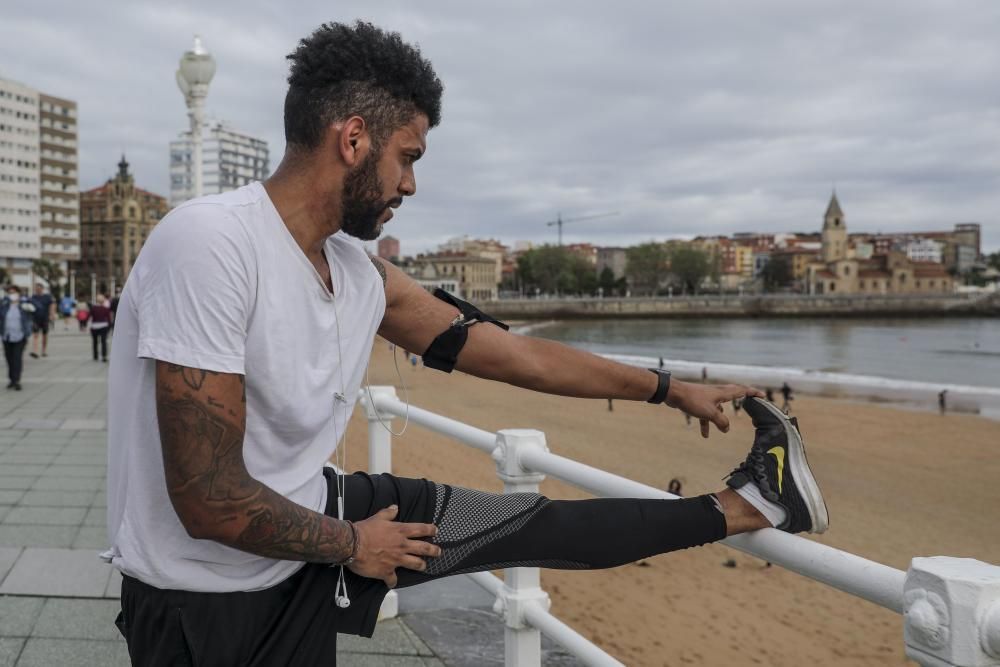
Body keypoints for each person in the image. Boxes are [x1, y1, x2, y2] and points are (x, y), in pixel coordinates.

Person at [105, 22, 829, 666]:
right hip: (205, 604)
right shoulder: (212, 244)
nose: (411, 184)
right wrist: (355, 545)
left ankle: (752, 504)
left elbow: (518, 355)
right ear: (352, 139)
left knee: (524, 523)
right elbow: (208, 498)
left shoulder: (360, 273)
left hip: (310, 521)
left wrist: (670, 390)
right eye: (407, 156)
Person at [2, 285, 35, 390]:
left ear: (18, 293)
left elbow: (37, 308)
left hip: (20, 336)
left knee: (17, 358)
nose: (12, 295)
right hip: (6, 335)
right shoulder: (4, 304)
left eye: (14, 292)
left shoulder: (24, 303)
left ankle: (16, 380)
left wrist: (27, 302)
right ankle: (11, 379)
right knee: (9, 358)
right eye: (10, 293)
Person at [29, 283, 54, 359]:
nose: (38, 290)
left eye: (39, 289)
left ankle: (43, 350)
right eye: (36, 289)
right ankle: (35, 351)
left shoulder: (47, 297)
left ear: (42, 289)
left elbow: (52, 305)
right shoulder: (33, 297)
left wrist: (51, 315)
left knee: (44, 336)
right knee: (35, 335)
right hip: (35, 319)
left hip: (45, 318)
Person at [89, 294, 111, 362]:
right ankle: (104, 356)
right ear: (103, 301)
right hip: (103, 326)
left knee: (95, 342)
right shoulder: (106, 309)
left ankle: (95, 356)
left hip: (94, 326)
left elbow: (89, 316)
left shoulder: (93, 308)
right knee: (103, 342)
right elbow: (109, 319)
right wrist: (109, 327)